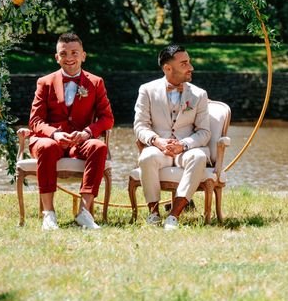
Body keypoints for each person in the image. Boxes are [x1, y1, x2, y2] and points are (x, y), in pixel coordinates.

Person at [28, 33, 114, 230]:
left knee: (98, 147)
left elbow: (107, 118)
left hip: (80, 141)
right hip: (49, 140)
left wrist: (87, 133)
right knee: (48, 147)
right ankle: (48, 214)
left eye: (74, 53)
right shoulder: (45, 82)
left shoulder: (96, 82)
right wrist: (54, 134)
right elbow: (35, 120)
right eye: (63, 53)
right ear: (56, 57)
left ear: (83, 55)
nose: (69, 58)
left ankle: (84, 213)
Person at [133, 44, 211, 230]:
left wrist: (183, 145)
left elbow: (204, 132)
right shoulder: (147, 90)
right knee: (146, 156)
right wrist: (157, 141)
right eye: (184, 64)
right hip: (160, 149)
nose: (191, 67)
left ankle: (174, 216)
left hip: (186, 150)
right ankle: (153, 214)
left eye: (189, 62)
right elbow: (140, 125)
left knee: (199, 156)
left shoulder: (199, 94)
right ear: (168, 68)